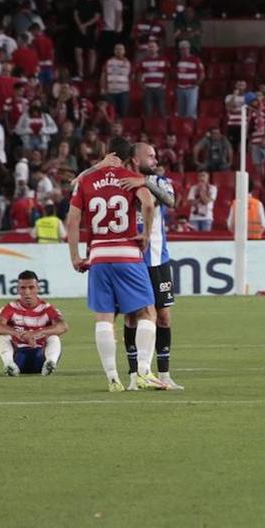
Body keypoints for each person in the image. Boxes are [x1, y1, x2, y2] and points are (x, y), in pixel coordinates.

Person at [66, 138, 167, 392]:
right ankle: (143, 371)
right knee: (147, 312)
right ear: (127, 156)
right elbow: (147, 203)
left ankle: (112, 377)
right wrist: (145, 234)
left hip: (99, 255)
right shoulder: (129, 177)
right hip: (127, 253)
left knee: (104, 317)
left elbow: (72, 220)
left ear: (105, 153)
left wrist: (76, 256)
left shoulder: (86, 181)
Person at [119, 143, 183, 391]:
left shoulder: (160, 182)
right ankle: (135, 376)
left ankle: (164, 375)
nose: (155, 160)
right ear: (134, 159)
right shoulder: (120, 183)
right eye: (150, 156)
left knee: (163, 317)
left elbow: (172, 201)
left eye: (156, 156)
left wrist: (145, 183)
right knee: (133, 317)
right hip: (130, 259)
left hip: (158, 259)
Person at [0, 270, 67, 376]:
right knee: (3, 335)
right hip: (18, 358)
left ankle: (50, 363)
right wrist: (19, 334)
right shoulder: (11, 308)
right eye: (23, 288)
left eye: (31, 287)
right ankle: (9, 365)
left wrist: (37, 333)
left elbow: (63, 326)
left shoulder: (47, 308)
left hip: (40, 356)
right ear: (18, 289)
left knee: (53, 336)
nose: (27, 292)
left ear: (38, 288)